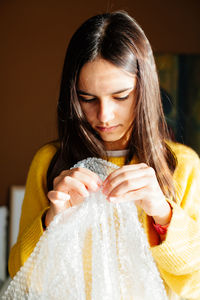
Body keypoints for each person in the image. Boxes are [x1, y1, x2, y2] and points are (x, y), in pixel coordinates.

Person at [8, 11, 200, 300]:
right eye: (87, 99)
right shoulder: (50, 162)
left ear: (144, 89)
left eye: (120, 97)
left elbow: (194, 283)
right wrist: (51, 220)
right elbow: (21, 278)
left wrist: (163, 213)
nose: (104, 115)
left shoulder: (181, 166)